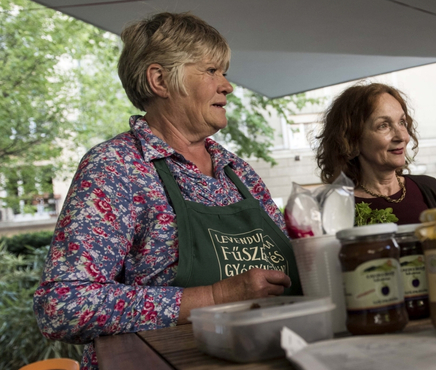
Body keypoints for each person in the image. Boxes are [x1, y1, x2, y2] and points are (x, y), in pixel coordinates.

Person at [34, 12, 302, 369]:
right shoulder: (116, 168)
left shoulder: (238, 172)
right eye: (211, 71)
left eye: (224, 72)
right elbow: (63, 305)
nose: (227, 85)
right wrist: (215, 296)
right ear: (159, 80)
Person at [315, 83, 436, 224]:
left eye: (402, 122)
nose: (402, 136)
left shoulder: (428, 188)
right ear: (351, 138)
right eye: (383, 125)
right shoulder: (331, 206)